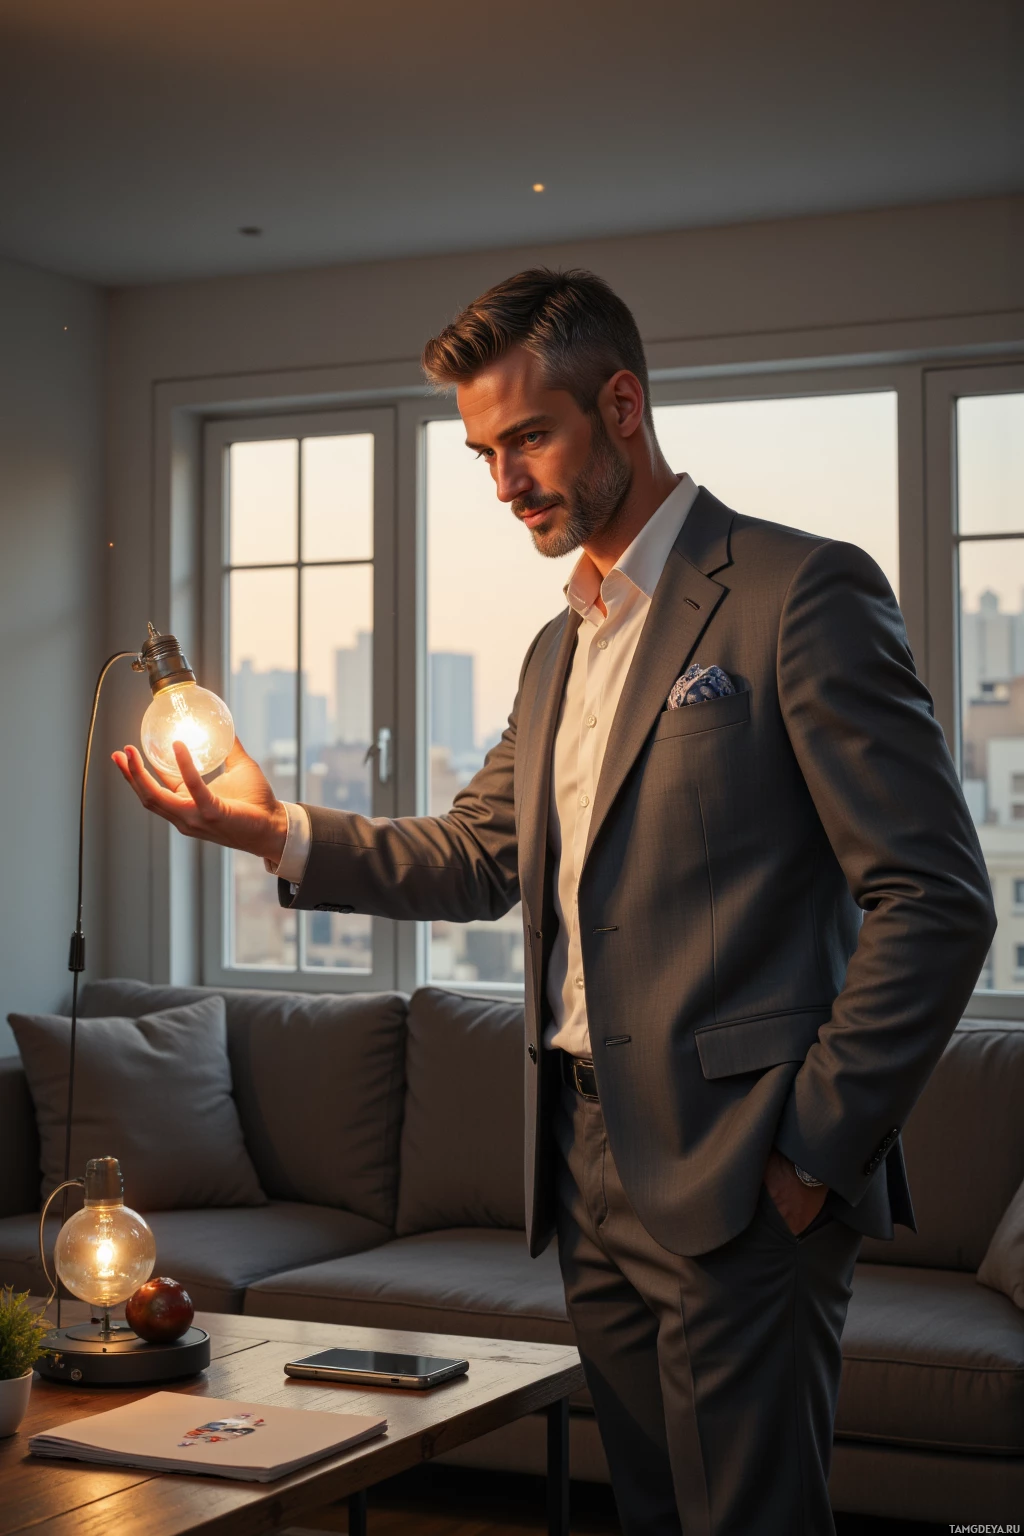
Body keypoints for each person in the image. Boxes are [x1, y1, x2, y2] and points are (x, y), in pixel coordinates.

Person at [114, 268, 995, 1535]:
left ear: (623, 406)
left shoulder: (798, 592)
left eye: (528, 437)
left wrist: (809, 1150)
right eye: (482, 453)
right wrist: (276, 829)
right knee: (644, 1514)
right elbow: (476, 854)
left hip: (744, 1169)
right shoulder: (558, 645)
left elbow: (937, 895)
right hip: (582, 1168)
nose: (504, 481)